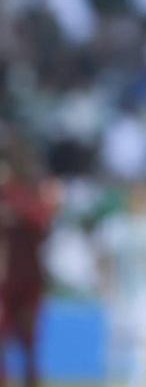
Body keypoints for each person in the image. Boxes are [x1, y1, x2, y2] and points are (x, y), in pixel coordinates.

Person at [95, 181, 146, 387]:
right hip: (120, 292)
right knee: (119, 344)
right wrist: (105, 287)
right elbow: (105, 259)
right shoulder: (115, 225)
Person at [0, 136, 56, 387]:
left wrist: (18, 213)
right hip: (5, 280)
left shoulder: (34, 194)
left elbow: (43, 226)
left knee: (30, 341)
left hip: (30, 280)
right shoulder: (6, 192)